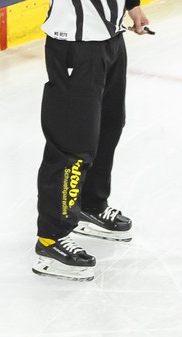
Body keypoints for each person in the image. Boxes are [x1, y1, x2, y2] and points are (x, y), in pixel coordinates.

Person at [31, 0, 151, 280]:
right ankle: (50, 238)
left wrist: (132, 6)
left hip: (111, 39)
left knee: (108, 128)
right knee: (72, 141)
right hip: (74, 44)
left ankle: (90, 204)